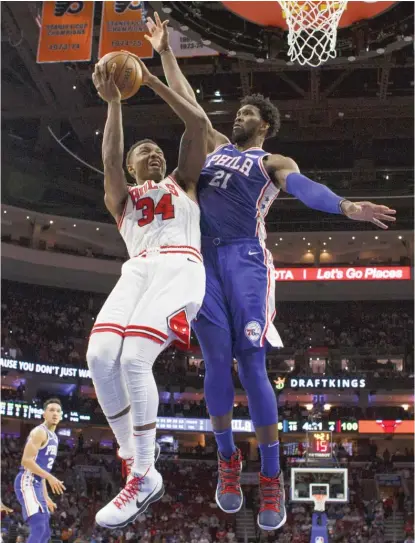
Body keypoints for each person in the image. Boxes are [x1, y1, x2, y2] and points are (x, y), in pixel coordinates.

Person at [144, 12, 397, 531]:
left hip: (246, 261)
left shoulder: (271, 161)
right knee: (215, 361)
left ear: (261, 122)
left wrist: (346, 207)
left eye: (243, 114)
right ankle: (227, 463)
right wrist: (164, 51)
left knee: (251, 363)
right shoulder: (213, 146)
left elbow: (306, 189)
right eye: (234, 114)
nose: (234, 118)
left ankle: (274, 475)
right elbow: (189, 103)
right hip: (202, 260)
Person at [88, 56, 208, 529]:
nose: (154, 154)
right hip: (136, 270)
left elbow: (196, 122)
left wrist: (152, 78)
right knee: (101, 357)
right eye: (145, 151)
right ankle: (136, 459)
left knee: (135, 359)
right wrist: (115, 104)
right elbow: (109, 159)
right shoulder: (121, 198)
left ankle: (141, 472)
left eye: (159, 150)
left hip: (180, 266)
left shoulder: (185, 184)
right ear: (132, 165)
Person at [14, 398, 65, 543]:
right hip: (27, 480)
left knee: (46, 532)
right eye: (51, 410)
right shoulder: (39, 432)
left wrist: (46, 496)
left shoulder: (54, 437)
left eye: (58, 411)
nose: (55, 413)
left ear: (61, 415)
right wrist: (50, 477)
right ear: (44, 414)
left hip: (36, 484)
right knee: (39, 527)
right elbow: (26, 461)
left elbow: (40, 470)